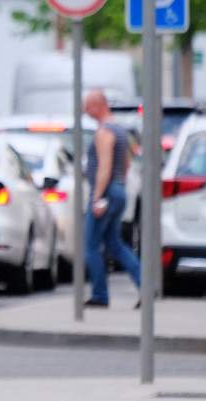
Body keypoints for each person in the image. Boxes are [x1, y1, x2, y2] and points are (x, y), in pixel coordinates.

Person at [83, 89, 141, 308]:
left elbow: (104, 167)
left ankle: (100, 295)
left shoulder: (105, 132)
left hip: (106, 193)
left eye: (88, 106)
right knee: (115, 244)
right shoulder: (121, 130)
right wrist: (119, 186)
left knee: (91, 245)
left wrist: (97, 198)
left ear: (99, 105)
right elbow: (125, 165)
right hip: (117, 191)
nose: (86, 111)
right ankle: (144, 283)